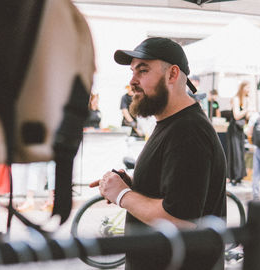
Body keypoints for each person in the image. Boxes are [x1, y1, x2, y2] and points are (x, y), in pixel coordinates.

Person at [91, 37, 227, 270]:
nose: (133, 81)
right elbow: (174, 194)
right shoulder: (172, 124)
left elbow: (181, 220)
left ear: (172, 75)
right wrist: (133, 186)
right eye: (132, 72)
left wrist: (123, 195)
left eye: (142, 71)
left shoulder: (188, 131)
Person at [226, 81, 250, 186]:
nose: (249, 90)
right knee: (234, 152)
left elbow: (246, 116)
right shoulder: (236, 99)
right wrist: (247, 110)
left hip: (241, 128)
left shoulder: (247, 100)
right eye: (247, 87)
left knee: (240, 152)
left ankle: (239, 176)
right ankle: (233, 177)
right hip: (234, 129)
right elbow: (236, 116)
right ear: (243, 88)